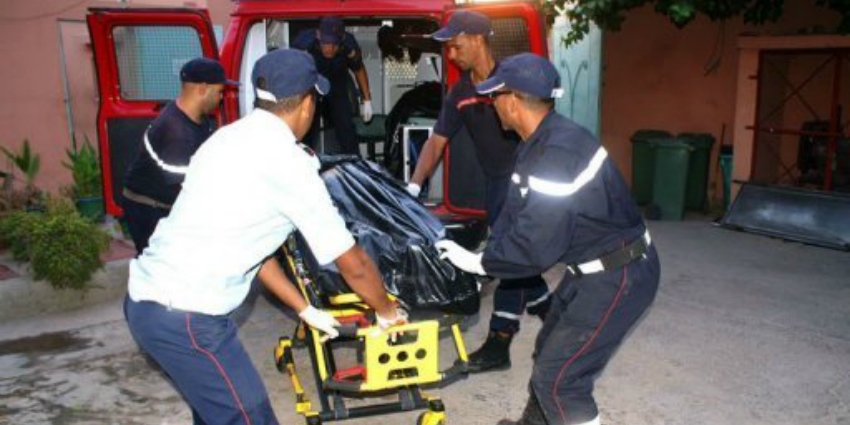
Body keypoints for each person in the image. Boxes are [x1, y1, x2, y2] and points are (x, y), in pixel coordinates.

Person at [123, 49, 407, 425]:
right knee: (250, 415)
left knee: (213, 414)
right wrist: (388, 312)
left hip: (152, 305)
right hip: (188, 317)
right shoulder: (290, 164)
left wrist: (304, 308)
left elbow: (254, 252)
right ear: (307, 104)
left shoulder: (225, 140)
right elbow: (352, 263)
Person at [436, 53, 660, 425]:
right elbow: (515, 216)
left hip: (620, 273)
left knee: (560, 381)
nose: (492, 105)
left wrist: (479, 263)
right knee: (549, 350)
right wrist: (483, 254)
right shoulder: (537, 141)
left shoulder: (558, 153)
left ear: (513, 99)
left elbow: (536, 245)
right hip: (591, 267)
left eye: (495, 96)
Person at [407, 10, 550, 373]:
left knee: (507, 260)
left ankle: (499, 342)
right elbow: (436, 142)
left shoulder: (515, 79)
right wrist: (413, 184)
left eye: (455, 47)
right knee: (520, 265)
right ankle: (555, 316)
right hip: (495, 186)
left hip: (525, 182)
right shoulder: (461, 93)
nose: (451, 55)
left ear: (477, 39)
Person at [122, 57, 236, 254]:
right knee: (161, 270)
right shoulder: (176, 132)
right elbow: (188, 188)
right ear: (202, 89)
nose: (221, 98)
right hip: (149, 209)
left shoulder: (199, 118)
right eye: (219, 92)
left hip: (165, 203)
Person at [292, 17, 373, 156]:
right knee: (306, 128)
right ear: (318, 35)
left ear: (341, 39)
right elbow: (292, 70)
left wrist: (367, 100)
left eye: (334, 44)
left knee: (346, 127)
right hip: (311, 84)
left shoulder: (349, 43)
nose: (329, 48)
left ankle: (353, 165)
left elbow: (358, 68)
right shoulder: (303, 42)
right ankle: (303, 165)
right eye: (325, 43)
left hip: (337, 82)